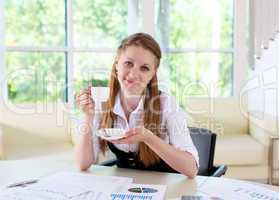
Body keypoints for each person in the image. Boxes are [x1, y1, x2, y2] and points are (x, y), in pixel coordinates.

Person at [74, 33, 199, 178]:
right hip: (123, 188)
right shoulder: (102, 103)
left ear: (153, 74)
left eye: (144, 68)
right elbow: (82, 164)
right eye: (128, 63)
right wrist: (87, 116)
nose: (133, 74)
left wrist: (148, 138)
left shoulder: (166, 104)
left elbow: (192, 169)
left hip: (164, 188)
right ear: (116, 65)